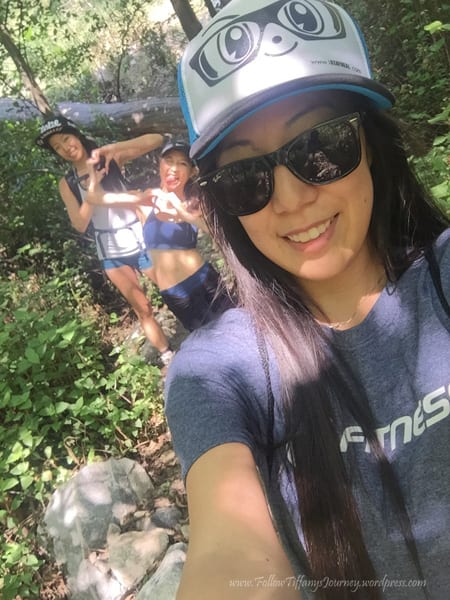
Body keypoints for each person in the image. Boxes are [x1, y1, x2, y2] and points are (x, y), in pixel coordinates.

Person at [164, 0, 450, 598]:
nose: (291, 199)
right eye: (246, 177)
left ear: (372, 144)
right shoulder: (219, 369)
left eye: (321, 145)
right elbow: (231, 557)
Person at [35, 117, 174, 367]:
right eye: (57, 146)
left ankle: (200, 326)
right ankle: (168, 355)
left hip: (139, 237)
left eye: (66, 138)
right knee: (142, 308)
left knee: (171, 287)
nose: (65, 147)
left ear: (76, 135)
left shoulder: (108, 158)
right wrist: (92, 189)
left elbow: (156, 140)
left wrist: (115, 147)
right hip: (110, 251)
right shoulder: (67, 183)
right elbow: (80, 223)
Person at [85, 139, 232, 331]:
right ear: (160, 164)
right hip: (176, 295)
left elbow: (220, 234)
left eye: (182, 163)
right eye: (169, 160)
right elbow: (94, 198)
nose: (174, 168)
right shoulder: (145, 200)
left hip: (206, 281)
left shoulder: (195, 201)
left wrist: (183, 214)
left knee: (240, 330)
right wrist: (99, 165)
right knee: (210, 345)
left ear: (192, 172)